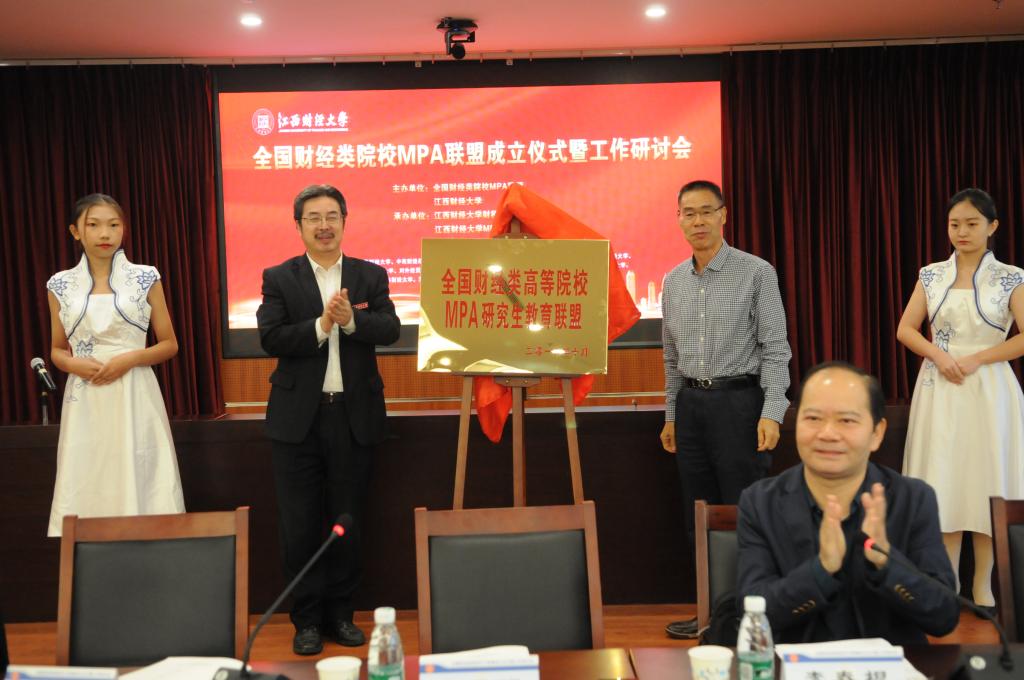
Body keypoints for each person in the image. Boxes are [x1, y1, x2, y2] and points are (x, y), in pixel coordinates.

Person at [257, 184, 400, 655]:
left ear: (344, 221)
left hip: (353, 417)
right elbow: (271, 337)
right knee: (299, 526)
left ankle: (341, 615)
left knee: (347, 521)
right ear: (298, 225)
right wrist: (321, 326)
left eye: (332, 216)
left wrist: (351, 322)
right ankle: (307, 621)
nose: (324, 225)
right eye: (314, 217)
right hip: (298, 421)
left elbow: (391, 328)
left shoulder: (369, 276)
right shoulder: (280, 277)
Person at [737, 361, 960, 644]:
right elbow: (752, 613)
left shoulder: (913, 499)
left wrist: (886, 562)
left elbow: (944, 616)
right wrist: (821, 570)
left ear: (876, 433)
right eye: (813, 418)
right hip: (794, 663)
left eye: (846, 420)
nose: (827, 433)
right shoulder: (760, 502)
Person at [660, 179, 792, 638]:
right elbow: (670, 358)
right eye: (688, 213)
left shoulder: (756, 272)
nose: (697, 221)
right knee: (697, 514)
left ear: (723, 215)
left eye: (706, 211)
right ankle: (708, 613)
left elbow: (776, 348)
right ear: (679, 219)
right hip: (690, 406)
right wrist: (671, 415)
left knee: (743, 512)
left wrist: (772, 410)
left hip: (740, 404)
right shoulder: (673, 281)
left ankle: (749, 616)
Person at [899, 188, 1024, 612]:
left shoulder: (1011, 276)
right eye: (955, 224)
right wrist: (938, 355)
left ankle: (984, 586)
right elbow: (906, 329)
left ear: (992, 226)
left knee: (989, 479)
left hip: (990, 389)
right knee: (944, 477)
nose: (962, 231)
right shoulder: (931, 274)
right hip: (941, 388)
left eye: (972, 223)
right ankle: (947, 581)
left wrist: (977, 359)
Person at [45, 194, 184, 537]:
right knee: (89, 471)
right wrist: (73, 365)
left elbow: (169, 344)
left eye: (114, 224)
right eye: (93, 225)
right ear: (75, 231)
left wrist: (130, 359)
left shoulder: (145, 277)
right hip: (87, 395)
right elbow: (57, 349)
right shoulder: (60, 284)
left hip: (134, 391)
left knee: (140, 468)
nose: (105, 233)